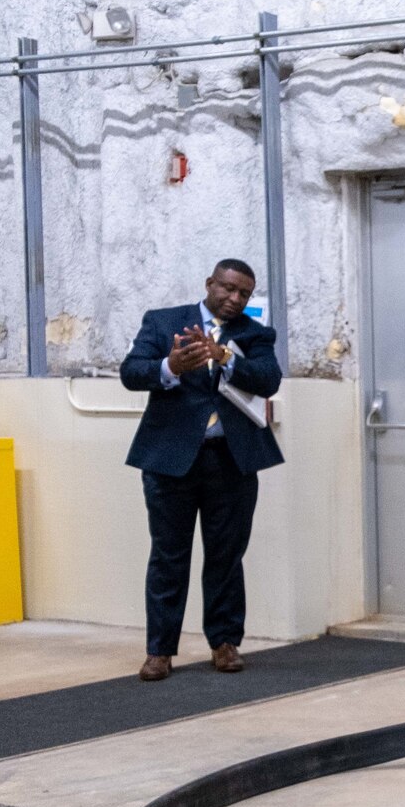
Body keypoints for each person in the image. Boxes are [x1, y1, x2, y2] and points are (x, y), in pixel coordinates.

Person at [118, 259, 284, 682]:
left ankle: (225, 643)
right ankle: (160, 651)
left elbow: (269, 378)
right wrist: (170, 367)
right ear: (210, 283)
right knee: (168, 557)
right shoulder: (163, 322)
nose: (235, 299)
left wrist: (223, 355)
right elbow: (131, 373)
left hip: (231, 460)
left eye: (244, 294)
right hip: (170, 460)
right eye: (228, 289)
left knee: (226, 557)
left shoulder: (255, 332)